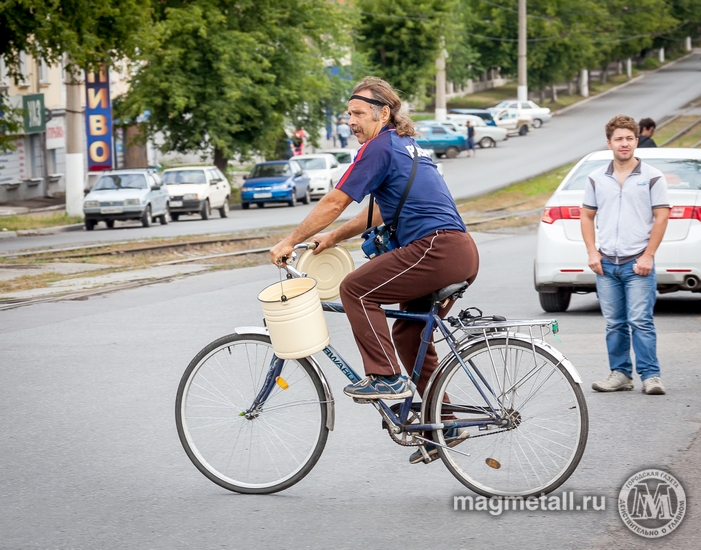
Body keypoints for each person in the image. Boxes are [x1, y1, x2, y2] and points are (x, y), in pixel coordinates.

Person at [270, 77, 479, 460]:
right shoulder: (405, 145)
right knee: (409, 336)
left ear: (384, 113)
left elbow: (336, 201)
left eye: (358, 113)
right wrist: (334, 237)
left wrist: (289, 240)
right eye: (348, 114)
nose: (350, 121)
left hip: (433, 248)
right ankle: (444, 422)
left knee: (355, 289)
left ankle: (385, 377)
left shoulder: (378, 147)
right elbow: (382, 210)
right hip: (459, 251)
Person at [581, 114, 670, 395]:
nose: (624, 143)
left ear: (636, 141)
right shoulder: (596, 178)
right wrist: (592, 252)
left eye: (629, 138)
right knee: (614, 323)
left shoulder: (652, 177)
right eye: (619, 139)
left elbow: (662, 217)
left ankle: (651, 376)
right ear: (609, 143)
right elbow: (586, 216)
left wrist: (648, 256)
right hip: (606, 264)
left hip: (637, 263)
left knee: (641, 321)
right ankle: (620, 373)